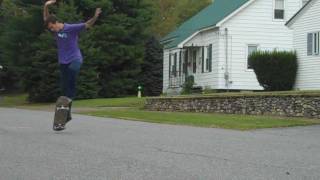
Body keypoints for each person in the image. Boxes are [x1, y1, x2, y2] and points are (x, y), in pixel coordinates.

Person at [43, 0, 101, 126]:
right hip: (63, 62)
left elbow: (87, 25)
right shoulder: (54, 30)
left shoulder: (71, 28)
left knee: (71, 79)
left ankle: (67, 110)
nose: (52, 30)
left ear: (56, 23)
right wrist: (46, 6)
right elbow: (46, 18)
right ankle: (66, 116)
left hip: (75, 59)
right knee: (64, 91)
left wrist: (95, 17)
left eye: (52, 27)